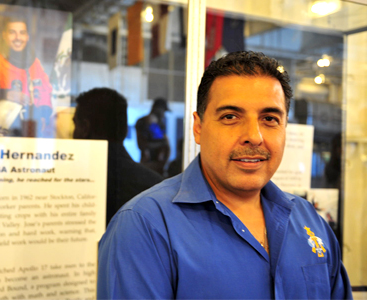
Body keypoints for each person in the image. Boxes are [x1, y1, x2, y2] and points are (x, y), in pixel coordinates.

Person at [97, 51, 352, 299]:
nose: (254, 135)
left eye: (270, 118)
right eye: (230, 116)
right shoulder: (144, 227)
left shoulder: (310, 221)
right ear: (198, 127)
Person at [72, 88, 164, 225]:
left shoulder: (69, 184)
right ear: (125, 130)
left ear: (85, 128)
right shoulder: (157, 189)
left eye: (75, 125)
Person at [0, 15, 52, 137]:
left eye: (22, 33)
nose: (18, 37)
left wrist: (44, 113)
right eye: (12, 32)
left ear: (27, 37)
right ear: (4, 35)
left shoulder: (34, 65)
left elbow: (46, 92)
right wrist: (5, 94)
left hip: (28, 135)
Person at [135, 97, 170, 176]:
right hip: (151, 165)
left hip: (153, 165)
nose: (164, 114)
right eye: (164, 111)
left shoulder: (158, 123)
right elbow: (144, 145)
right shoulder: (151, 122)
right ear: (159, 109)